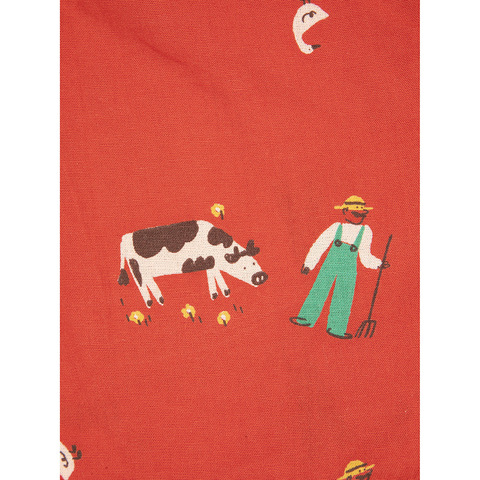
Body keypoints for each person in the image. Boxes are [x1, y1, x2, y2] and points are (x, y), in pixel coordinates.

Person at [290, 195, 390, 339]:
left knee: (344, 295)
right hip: (330, 265)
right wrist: (309, 264)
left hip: (349, 269)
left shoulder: (366, 231)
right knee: (320, 288)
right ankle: (306, 317)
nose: (358, 216)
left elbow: (365, 256)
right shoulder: (336, 227)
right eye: (355, 213)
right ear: (345, 212)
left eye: (361, 214)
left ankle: (337, 328)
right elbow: (320, 245)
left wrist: (379, 263)